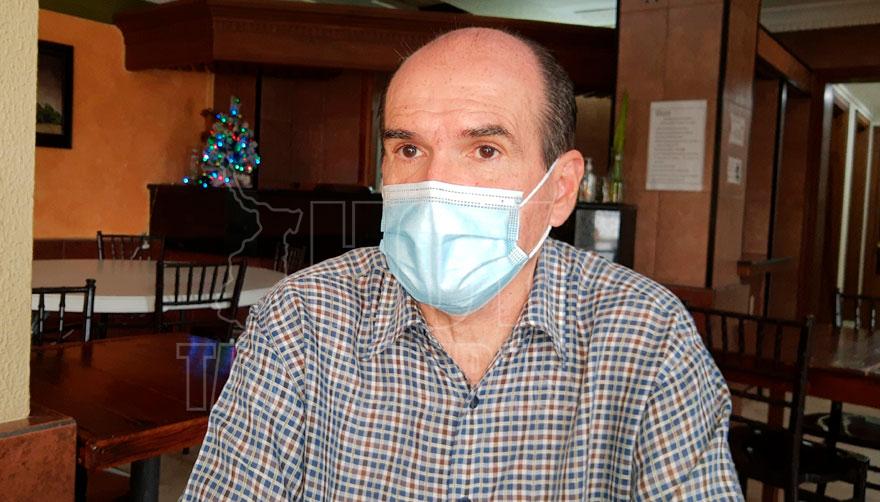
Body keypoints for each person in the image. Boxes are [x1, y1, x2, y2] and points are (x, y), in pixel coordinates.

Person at [183, 27, 742, 500]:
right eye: (408, 150)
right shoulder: (300, 321)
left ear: (561, 188)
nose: (435, 186)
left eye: (485, 150)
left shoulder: (648, 336)